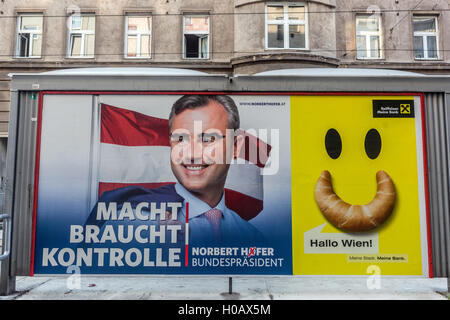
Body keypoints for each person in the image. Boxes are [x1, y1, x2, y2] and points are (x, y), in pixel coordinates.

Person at [85, 95, 264, 246]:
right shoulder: (126, 223)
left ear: (234, 147)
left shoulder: (252, 238)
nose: (192, 154)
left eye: (208, 139)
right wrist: (158, 253)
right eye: (181, 138)